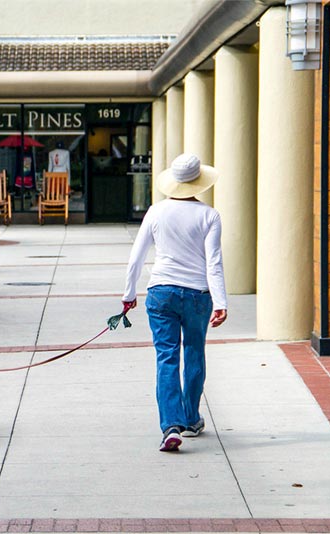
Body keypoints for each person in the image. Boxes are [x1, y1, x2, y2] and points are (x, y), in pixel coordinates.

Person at [121, 153, 228, 452]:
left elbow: (136, 257)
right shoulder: (210, 215)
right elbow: (214, 263)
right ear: (199, 182)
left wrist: (129, 294)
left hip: (161, 293)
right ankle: (192, 419)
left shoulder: (156, 212)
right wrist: (220, 301)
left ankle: (171, 426)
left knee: (166, 357)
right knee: (194, 353)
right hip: (197, 296)